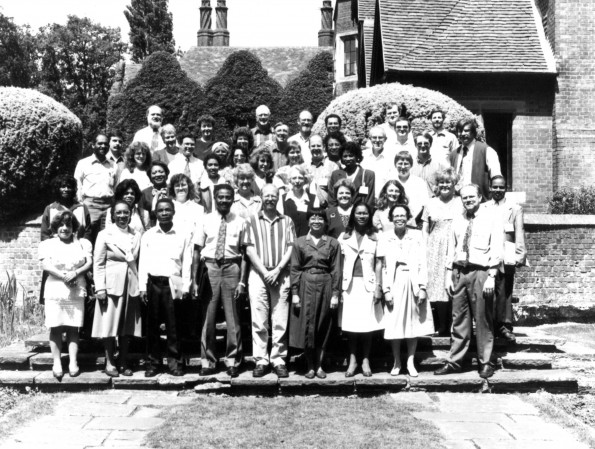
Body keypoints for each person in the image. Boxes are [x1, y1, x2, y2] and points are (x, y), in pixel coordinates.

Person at [434, 184, 503, 379]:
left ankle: (486, 362)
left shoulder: (491, 218)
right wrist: (449, 274)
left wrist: (491, 276)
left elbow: (497, 247)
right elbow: (451, 248)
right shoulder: (458, 219)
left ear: (480, 197)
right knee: (458, 320)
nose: (468, 200)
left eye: (472, 197)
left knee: (483, 319)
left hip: (481, 272)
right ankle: (455, 361)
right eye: (464, 198)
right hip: (459, 272)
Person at [193, 184, 248, 377]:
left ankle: (233, 360)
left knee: (233, 317)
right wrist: (194, 280)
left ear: (233, 199)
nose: (224, 200)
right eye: (220, 197)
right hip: (210, 268)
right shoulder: (204, 220)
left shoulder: (241, 221)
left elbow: (245, 254)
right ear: (215, 198)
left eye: (228, 197)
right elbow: (197, 250)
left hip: (232, 267)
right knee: (208, 317)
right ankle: (208, 361)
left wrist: (242, 282)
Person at [245, 185, 296, 378]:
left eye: (274, 196)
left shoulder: (287, 221)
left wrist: (277, 270)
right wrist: (265, 271)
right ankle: (261, 360)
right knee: (259, 319)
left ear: (278, 198)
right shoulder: (251, 220)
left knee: (280, 318)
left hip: (281, 274)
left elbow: (291, 247)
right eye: (267, 195)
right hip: (258, 274)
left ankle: (278, 359)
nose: (270, 199)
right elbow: (249, 249)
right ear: (261, 197)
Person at [139, 197, 192, 377]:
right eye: (160, 210)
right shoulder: (148, 235)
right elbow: (143, 263)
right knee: (152, 325)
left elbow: (187, 262)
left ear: (173, 212)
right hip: (153, 283)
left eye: (167, 210)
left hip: (174, 283)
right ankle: (153, 363)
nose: (164, 213)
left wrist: (186, 286)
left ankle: (175, 363)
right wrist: (142, 287)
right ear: (155, 213)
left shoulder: (182, 234)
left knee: (174, 325)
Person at [379, 204, 433, 377]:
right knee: (394, 323)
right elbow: (383, 267)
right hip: (394, 282)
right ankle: (397, 361)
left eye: (403, 215)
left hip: (413, 281)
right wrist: (386, 290)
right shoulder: (385, 237)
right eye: (396, 215)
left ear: (408, 217)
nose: (400, 218)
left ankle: (410, 361)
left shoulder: (416, 236)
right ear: (391, 218)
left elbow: (422, 262)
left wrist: (423, 287)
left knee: (412, 324)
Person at [39, 210, 93, 379]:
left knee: (73, 327)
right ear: (56, 227)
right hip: (55, 289)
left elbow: (89, 262)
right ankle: (56, 362)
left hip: (76, 288)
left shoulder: (83, 243)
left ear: (73, 227)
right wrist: (64, 276)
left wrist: (75, 273)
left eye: (68, 225)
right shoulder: (47, 244)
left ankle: (73, 362)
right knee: (55, 326)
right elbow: (46, 266)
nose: (65, 228)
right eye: (61, 225)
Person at [92, 200, 142, 377]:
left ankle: (123, 361)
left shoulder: (136, 234)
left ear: (131, 214)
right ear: (113, 214)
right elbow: (98, 264)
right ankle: (109, 361)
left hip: (131, 283)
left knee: (127, 326)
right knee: (109, 324)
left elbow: (138, 261)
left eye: (126, 213)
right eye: (119, 213)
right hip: (111, 284)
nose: (122, 216)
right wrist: (100, 288)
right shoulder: (105, 234)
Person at [289, 208, 341, 379]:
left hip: (325, 283)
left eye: (320, 218)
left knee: (323, 324)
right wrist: (295, 292)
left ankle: (320, 365)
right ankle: (310, 365)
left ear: (325, 222)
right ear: (308, 221)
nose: (317, 221)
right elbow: (295, 268)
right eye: (313, 218)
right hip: (306, 283)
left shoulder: (332, 243)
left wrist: (335, 294)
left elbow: (336, 270)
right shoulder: (300, 242)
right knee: (308, 325)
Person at [339, 203, 383, 377]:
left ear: (369, 215)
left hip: (368, 285)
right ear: (353, 215)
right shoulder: (344, 236)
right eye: (358, 213)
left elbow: (379, 263)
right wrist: (339, 289)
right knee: (350, 325)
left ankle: (365, 360)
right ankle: (352, 360)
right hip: (349, 286)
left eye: (365, 213)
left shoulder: (375, 236)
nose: (362, 216)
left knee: (367, 325)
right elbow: (340, 263)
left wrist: (378, 287)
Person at [421, 168, 463, 335]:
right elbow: (425, 227)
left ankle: (456, 324)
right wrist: (425, 247)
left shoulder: (460, 202)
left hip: (455, 245)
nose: (445, 185)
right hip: (435, 247)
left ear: (454, 184)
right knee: (437, 286)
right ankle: (442, 325)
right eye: (441, 182)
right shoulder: (430, 203)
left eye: (448, 182)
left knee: (454, 284)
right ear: (437, 185)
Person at [486, 175, 527, 343]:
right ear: (490, 187)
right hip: (487, 254)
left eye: (501, 187)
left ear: (506, 189)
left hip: (506, 253)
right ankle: (490, 325)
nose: (497, 190)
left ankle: (505, 326)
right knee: (489, 291)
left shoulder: (514, 208)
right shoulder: (484, 207)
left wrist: (520, 253)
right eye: (494, 187)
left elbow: (519, 231)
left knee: (505, 290)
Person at [74, 134, 117, 244]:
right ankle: (87, 260)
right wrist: (81, 204)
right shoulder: (83, 163)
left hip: (108, 206)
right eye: (100, 143)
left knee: (107, 236)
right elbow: (78, 184)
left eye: (106, 144)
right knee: (87, 235)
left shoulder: (113, 164)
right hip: (90, 205)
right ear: (93, 145)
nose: (103, 146)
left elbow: (115, 186)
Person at [449, 119, 501, 200]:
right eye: (460, 131)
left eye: (466, 131)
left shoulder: (486, 150)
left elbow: (496, 177)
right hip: (458, 201)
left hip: (481, 201)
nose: (462, 134)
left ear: (473, 133)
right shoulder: (453, 154)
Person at [41, 174, 91, 241]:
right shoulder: (50, 209)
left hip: (78, 247)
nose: (66, 189)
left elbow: (88, 231)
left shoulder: (82, 207)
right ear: (57, 189)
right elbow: (45, 234)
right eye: (63, 187)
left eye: (69, 187)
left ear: (73, 189)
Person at [327, 141, 375, 208]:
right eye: (345, 156)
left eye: (351, 156)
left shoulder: (368, 175)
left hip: (359, 214)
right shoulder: (336, 175)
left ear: (357, 156)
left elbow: (369, 200)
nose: (348, 158)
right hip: (340, 214)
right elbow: (332, 199)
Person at [393, 151, 429, 226]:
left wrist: (414, 221)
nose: (403, 167)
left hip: (415, 223)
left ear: (411, 165)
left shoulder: (419, 182)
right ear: (395, 165)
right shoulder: (391, 182)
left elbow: (425, 205)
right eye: (400, 163)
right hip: (393, 222)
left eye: (406, 164)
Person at [279, 166, 316, 238]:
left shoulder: (313, 198)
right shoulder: (282, 199)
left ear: (305, 180)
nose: (297, 181)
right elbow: (280, 223)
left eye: (300, 178)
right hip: (288, 240)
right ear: (289, 180)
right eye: (294, 178)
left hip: (308, 241)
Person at [361, 125, 396, 198]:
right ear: (370, 139)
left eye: (380, 137)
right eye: (374, 137)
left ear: (385, 139)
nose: (377, 140)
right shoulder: (362, 156)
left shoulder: (391, 158)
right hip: (364, 198)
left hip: (384, 198)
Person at [169, 173, 205, 239]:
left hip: (191, 247)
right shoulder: (167, 207)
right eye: (177, 185)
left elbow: (199, 234)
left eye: (183, 185)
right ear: (173, 189)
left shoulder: (198, 209)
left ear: (189, 186)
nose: (180, 188)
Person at [307, 134, 339, 207]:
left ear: (324, 147)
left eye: (318, 145)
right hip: (308, 210)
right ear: (309, 147)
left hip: (326, 209)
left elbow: (337, 191)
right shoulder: (304, 167)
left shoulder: (333, 167)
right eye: (313, 146)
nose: (316, 148)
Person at [411, 132, 445, 197]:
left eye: (426, 143)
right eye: (419, 143)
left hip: (432, 202)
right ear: (415, 145)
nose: (423, 145)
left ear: (430, 145)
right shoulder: (410, 166)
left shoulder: (439, 166)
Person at [139, 161, 169, 229]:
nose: (158, 175)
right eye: (154, 173)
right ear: (150, 176)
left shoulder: (173, 190)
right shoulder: (144, 193)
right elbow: (143, 217)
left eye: (161, 172)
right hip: (152, 229)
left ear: (166, 174)